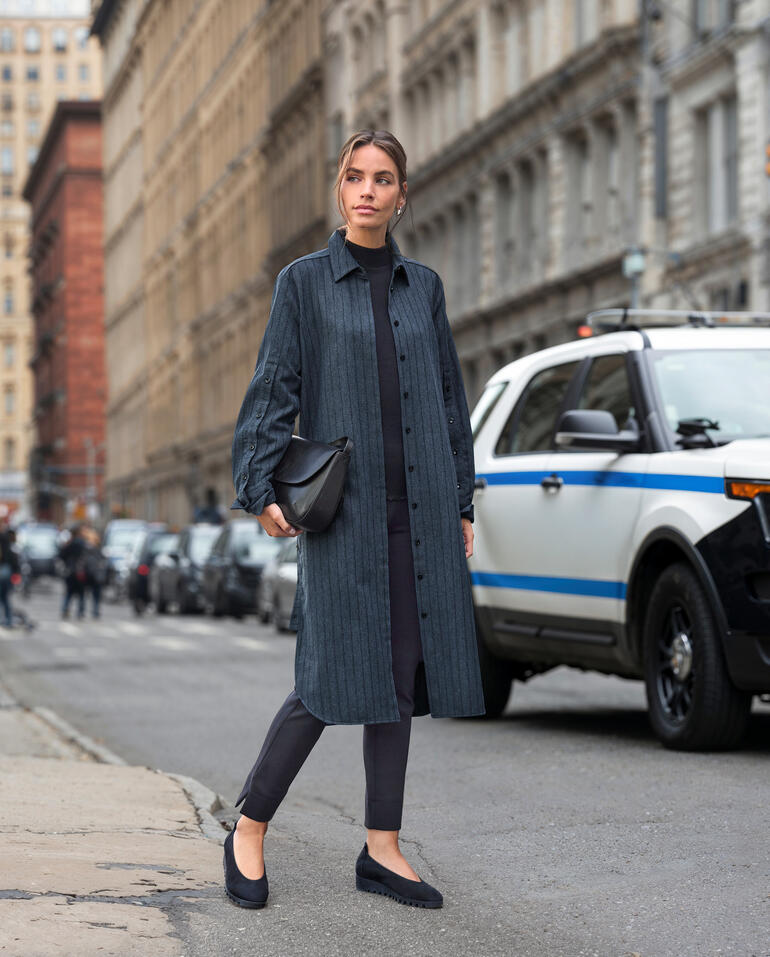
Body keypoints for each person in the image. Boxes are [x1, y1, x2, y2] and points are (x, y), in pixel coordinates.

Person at [225, 130, 484, 911]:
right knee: (324, 679)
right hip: (346, 516)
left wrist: (461, 499)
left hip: (420, 511)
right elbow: (276, 385)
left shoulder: (422, 286)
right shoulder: (303, 282)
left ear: (402, 195)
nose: (368, 190)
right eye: (355, 177)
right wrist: (260, 486)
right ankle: (248, 825)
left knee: (399, 679)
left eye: (383, 179)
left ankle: (382, 847)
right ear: (339, 191)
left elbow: (447, 396)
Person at [59, 525, 88, 619]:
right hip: (81, 572)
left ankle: (65, 609)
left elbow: (61, 555)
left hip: (70, 571)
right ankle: (80, 612)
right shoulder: (83, 543)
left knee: (69, 593)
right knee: (81, 594)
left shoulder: (69, 544)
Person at [82, 526, 107, 618]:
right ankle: (93, 611)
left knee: (86, 594)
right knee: (94, 595)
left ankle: (83, 611)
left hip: (90, 575)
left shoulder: (88, 549)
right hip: (94, 575)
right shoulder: (97, 549)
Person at [0, 519, 20, 628]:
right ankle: (8, 620)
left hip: (3, 568)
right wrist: (16, 571)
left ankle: (4, 619)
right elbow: (12, 556)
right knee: (6, 597)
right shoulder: (6, 538)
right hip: (6, 569)